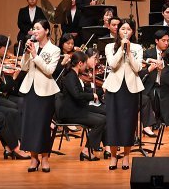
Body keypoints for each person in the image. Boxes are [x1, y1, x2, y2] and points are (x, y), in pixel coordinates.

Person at [18, 20, 61, 172]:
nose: (34, 31)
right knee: (29, 124)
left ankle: (45, 158)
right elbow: (23, 67)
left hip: (45, 91)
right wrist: (26, 53)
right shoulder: (32, 46)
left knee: (43, 126)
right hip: (30, 89)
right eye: (33, 28)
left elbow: (49, 70)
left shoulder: (54, 49)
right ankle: (33, 158)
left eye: (38, 28)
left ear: (47, 31)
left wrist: (35, 55)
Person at [102, 19, 144, 170]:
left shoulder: (138, 47)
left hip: (131, 87)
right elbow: (112, 64)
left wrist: (129, 52)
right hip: (114, 87)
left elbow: (138, 67)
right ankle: (113, 156)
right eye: (123, 29)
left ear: (132, 32)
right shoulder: (109, 46)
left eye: (129, 29)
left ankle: (126, 156)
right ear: (117, 31)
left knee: (128, 122)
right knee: (113, 121)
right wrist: (121, 48)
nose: (125, 31)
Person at [56, 49, 106, 162]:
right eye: (85, 63)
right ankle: (86, 150)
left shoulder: (74, 75)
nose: (85, 67)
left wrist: (97, 93)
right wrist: (93, 96)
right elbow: (77, 95)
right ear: (80, 63)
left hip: (77, 109)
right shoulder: (70, 76)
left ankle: (89, 149)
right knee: (100, 121)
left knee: (103, 118)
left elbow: (81, 92)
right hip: (71, 112)